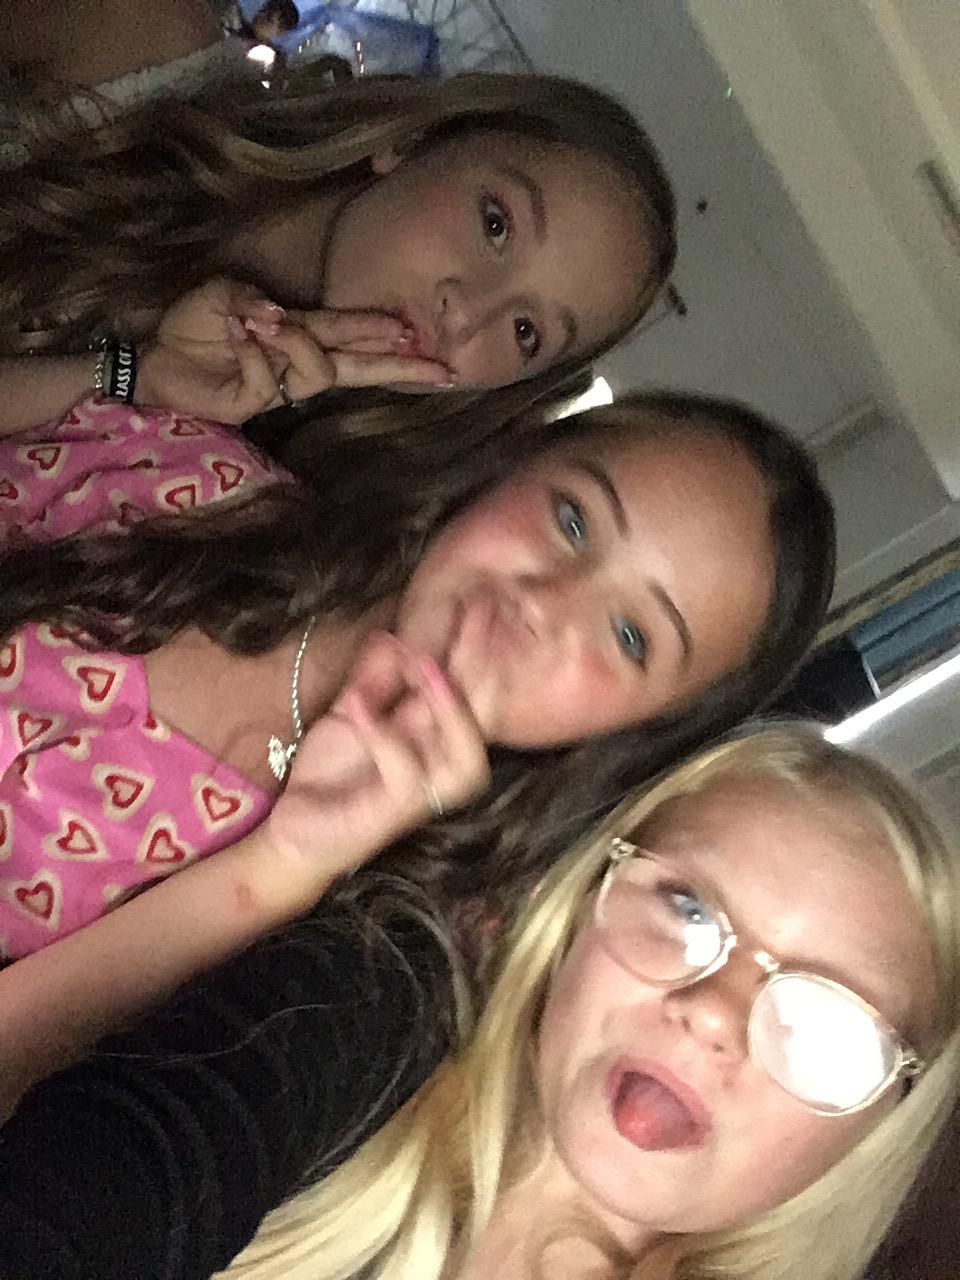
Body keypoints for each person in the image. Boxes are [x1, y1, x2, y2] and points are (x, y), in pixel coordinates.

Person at [0, 723, 954, 1280]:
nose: (713, 1013)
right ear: (583, 902)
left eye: (829, 1024)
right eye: (687, 907)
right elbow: (115, 1169)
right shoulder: (368, 1016)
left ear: (879, 1130)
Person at [0, 376, 833, 962]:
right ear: (509, 468)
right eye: (574, 521)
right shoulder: (193, 488)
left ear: (637, 732)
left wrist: (283, 873)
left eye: (629, 635)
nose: (545, 602)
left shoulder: (400, 949)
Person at [0, 68, 677, 441]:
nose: (467, 315)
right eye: (496, 224)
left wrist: (137, 381)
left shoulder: (313, 512)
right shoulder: (147, 67)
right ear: (412, 141)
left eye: (527, 332)